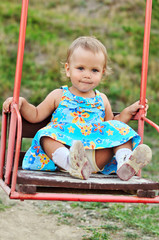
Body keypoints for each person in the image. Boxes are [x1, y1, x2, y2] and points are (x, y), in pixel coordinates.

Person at [3, 36, 152, 181]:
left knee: (119, 129)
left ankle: (125, 162)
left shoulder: (102, 99)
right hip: (66, 154)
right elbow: (35, 115)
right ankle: (71, 163)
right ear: (68, 69)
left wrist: (127, 112)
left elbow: (111, 125)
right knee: (45, 134)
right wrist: (21, 103)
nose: (87, 75)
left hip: (97, 156)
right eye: (80, 68)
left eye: (94, 70)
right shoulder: (59, 95)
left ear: (102, 73)